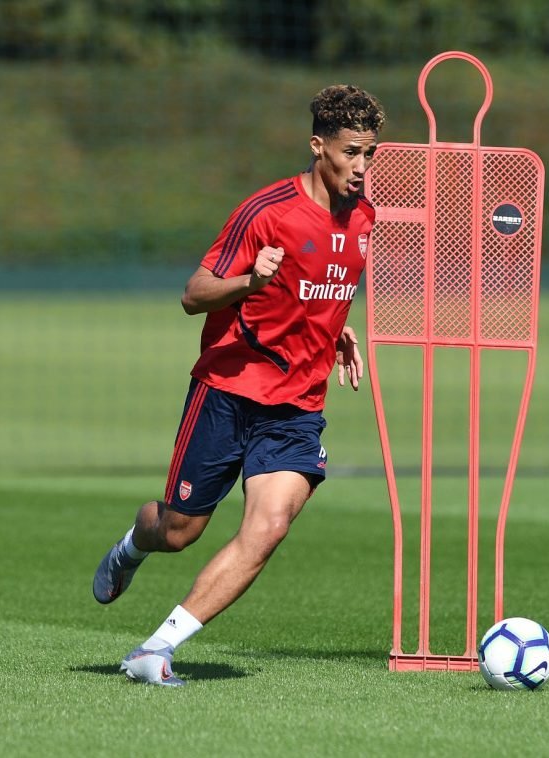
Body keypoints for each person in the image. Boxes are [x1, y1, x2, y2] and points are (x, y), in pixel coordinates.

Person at [92, 84, 386, 686]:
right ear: (317, 145)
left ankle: (155, 649)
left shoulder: (365, 219)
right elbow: (193, 294)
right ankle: (132, 547)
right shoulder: (266, 212)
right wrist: (249, 282)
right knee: (178, 530)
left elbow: (319, 292)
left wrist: (338, 334)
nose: (362, 167)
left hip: (298, 407)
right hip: (228, 390)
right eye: (352, 151)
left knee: (269, 526)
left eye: (370, 154)